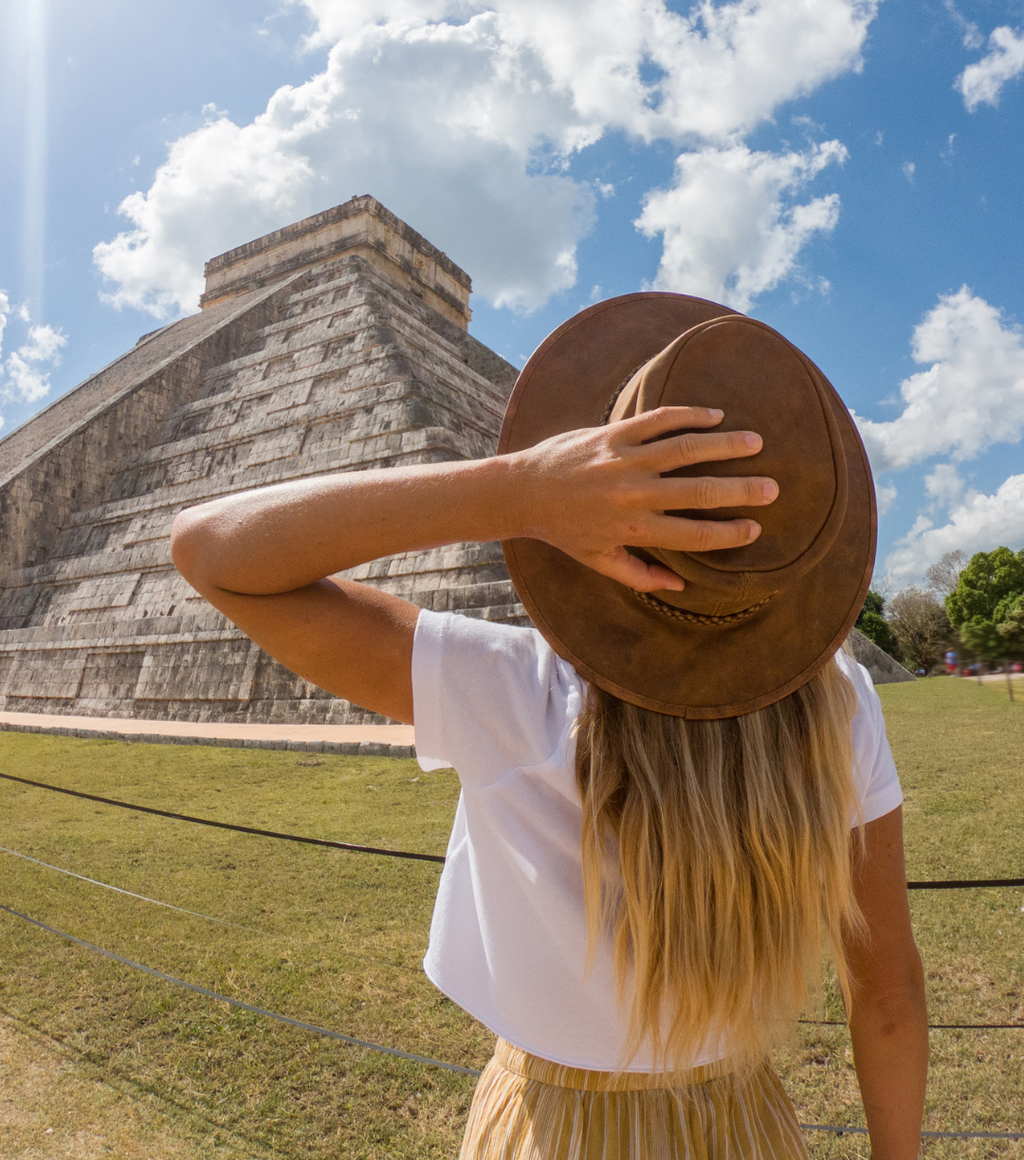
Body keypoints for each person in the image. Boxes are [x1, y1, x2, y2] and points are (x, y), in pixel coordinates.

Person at [171, 293, 927, 1160]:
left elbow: (211, 549)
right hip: (743, 1123)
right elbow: (889, 992)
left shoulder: (513, 688)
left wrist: (522, 490)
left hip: (552, 1129)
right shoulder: (840, 703)